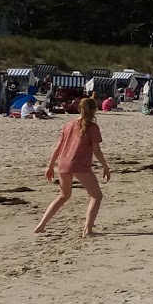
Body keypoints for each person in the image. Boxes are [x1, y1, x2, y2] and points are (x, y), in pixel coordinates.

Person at [35, 97, 110, 237]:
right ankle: (88, 230)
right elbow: (97, 150)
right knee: (96, 196)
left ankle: (41, 225)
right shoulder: (93, 127)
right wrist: (106, 166)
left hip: (63, 163)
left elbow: (58, 148)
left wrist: (50, 166)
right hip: (79, 164)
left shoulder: (69, 125)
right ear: (94, 110)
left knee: (63, 196)